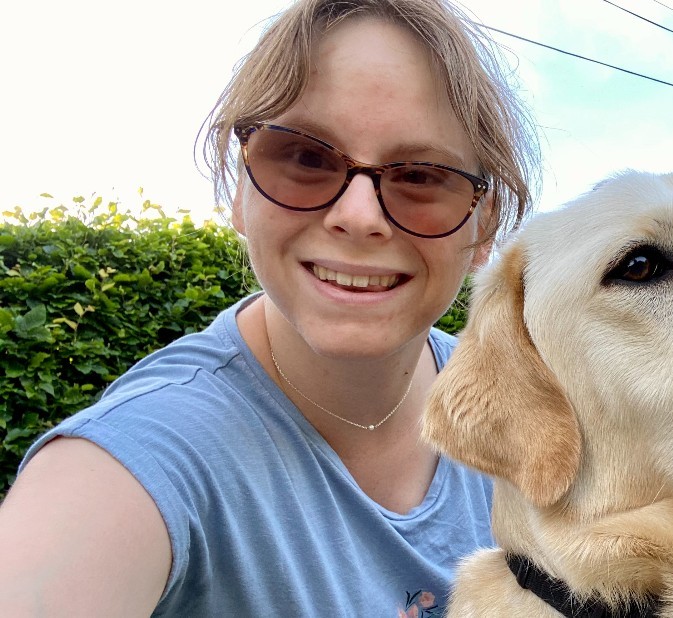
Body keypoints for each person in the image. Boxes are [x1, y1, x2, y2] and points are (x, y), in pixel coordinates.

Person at [0, 0, 538, 614]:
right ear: (239, 190)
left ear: (485, 224)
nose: (358, 217)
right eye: (305, 158)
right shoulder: (140, 457)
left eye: (420, 175)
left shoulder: (526, 406)